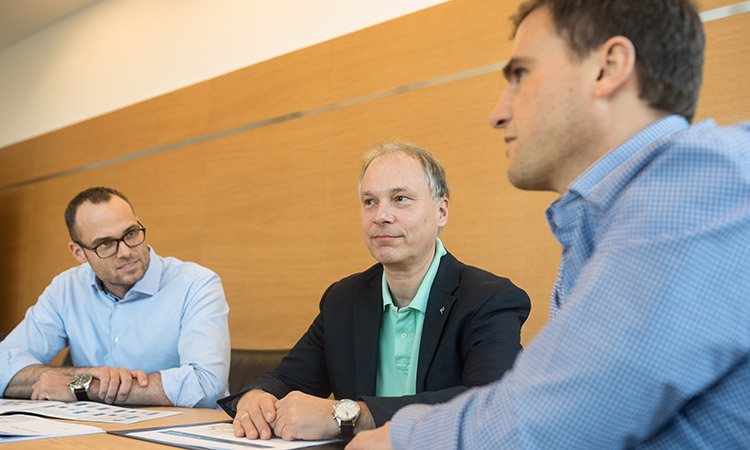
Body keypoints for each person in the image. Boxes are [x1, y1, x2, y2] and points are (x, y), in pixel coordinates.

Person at [348, 0, 750, 448]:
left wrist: (400, 439)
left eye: (520, 75)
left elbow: (550, 420)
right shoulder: (599, 223)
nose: (498, 113)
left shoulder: (703, 180)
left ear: (608, 67)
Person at [219, 142, 530, 441]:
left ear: (441, 212)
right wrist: (258, 397)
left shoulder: (489, 299)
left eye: (400, 199)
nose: (381, 215)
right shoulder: (343, 299)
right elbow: (287, 379)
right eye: (370, 201)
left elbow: (491, 402)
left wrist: (351, 415)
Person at [0, 187, 230, 408]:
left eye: (131, 233)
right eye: (106, 244)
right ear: (78, 252)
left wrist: (84, 386)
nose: (126, 251)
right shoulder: (66, 288)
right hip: (94, 432)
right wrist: (83, 375)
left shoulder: (196, 283)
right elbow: (4, 364)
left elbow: (205, 385)